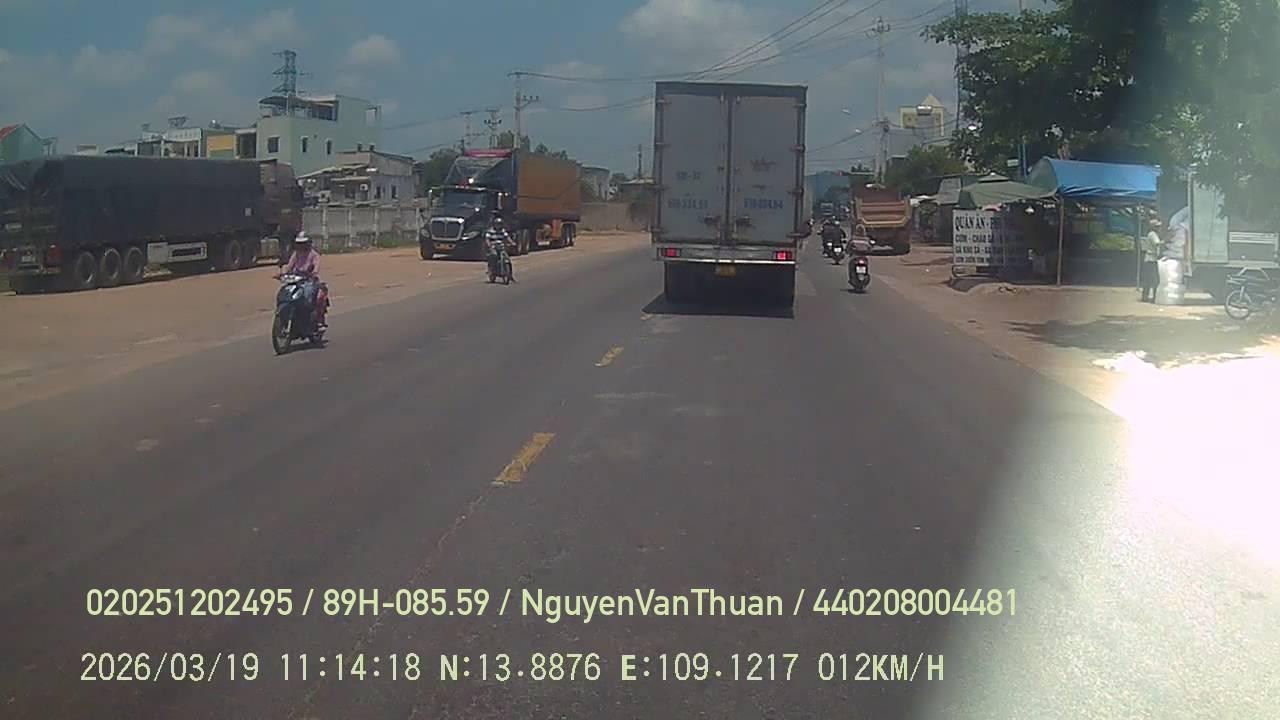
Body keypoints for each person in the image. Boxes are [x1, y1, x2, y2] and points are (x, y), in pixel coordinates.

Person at [278, 232, 328, 329]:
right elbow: (289, 266)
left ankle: (314, 320)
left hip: (309, 280)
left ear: (308, 243)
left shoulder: (314, 255)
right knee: (285, 292)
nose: (301, 246)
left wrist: (313, 273)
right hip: (296, 279)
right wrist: (283, 274)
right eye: (299, 243)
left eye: (303, 243)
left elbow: (316, 267)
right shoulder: (296, 254)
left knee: (308, 295)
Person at [1139, 217, 1162, 302]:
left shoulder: (1151, 234)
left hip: (1149, 259)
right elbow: (1157, 243)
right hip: (1151, 260)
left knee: (1148, 280)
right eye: (1157, 226)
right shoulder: (1153, 234)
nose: (1159, 228)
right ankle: (1154, 297)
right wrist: (1166, 241)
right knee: (1154, 279)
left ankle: (1145, 296)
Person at [485, 213, 513, 281]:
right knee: (494, 255)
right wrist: (489, 245)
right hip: (494, 246)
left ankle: (509, 274)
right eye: (497, 224)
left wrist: (512, 242)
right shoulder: (490, 231)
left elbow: (507, 237)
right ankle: (492, 270)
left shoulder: (503, 231)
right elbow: (487, 239)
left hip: (501, 247)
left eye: (500, 224)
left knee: (507, 258)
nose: (498, 226)